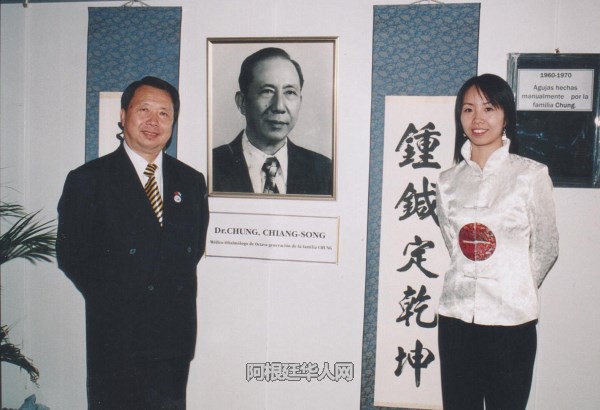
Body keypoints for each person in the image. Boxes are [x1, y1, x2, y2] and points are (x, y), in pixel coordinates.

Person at [57, 76, 209, 410]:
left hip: (173, 335)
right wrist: (117, 299)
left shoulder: (191, 181)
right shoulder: (88, 180)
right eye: (144, 110)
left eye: (164, 113)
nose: (154, 121)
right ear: (123, 115)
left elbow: (193, 249)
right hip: (117, 335)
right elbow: (71, 255)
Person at [435, 73, 559, 410]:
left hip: (511, 323)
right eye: (468, 109)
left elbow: (546, 246)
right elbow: (454, 243)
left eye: (489, 108)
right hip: (456, 319)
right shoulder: (447, 182)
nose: (478, 119)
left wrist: (514, 284)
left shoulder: (530, 175)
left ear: (506, 116)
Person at [212, 47, 332, 195]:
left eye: (290, 92)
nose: (279, 106)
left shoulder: (325, 171)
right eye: (267, 91)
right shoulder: (210, 165)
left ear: (300, 102)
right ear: (242, 102)